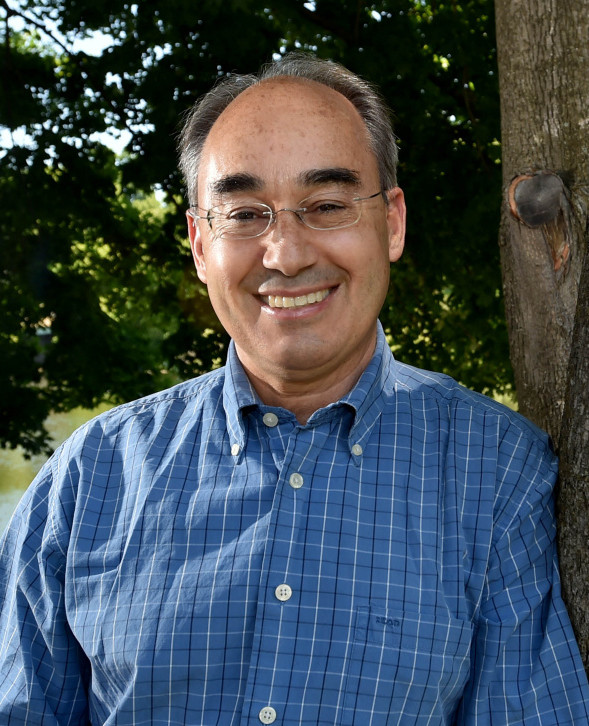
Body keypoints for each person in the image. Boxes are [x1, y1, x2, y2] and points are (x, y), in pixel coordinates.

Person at [0, 53, 588, 726]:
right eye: (245, 213)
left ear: (391, 223)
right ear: (199, 243)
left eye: (327, 205)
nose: (285, 254)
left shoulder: (498, 473)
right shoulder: (93, 474)